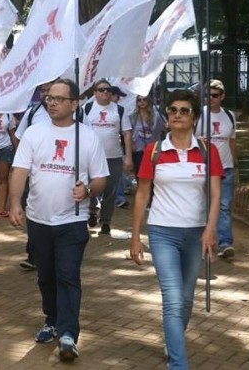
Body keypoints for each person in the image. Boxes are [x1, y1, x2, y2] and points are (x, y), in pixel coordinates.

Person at [9, 78, 109, 362]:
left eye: (58, 98)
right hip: (39, 220)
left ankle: (68, 334)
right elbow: (19, 171)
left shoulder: (87, 136)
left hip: (72, 221)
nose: (51, 103)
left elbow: (102, 178)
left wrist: (88, 190)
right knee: (46, 276)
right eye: (49, 98)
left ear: (74, 103)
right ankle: (51, 319)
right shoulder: (34, 133)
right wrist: (15, 202)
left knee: (68, 275)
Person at [130, 89, 222, 370]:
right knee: (172, 298)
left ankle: (173, 341)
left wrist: (210, 229)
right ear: (167, 116)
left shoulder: (208, 150)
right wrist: (135, 237)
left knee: (186, 298)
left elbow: (216, 194)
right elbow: (142, 195)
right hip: (162, 232)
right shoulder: (154, 151)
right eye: (173, 110)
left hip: (196, 233)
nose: (178, 115)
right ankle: (179, 364)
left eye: (184, 110)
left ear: (194, 117)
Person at [82, 78, 133, 236]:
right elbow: (80, 131)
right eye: (101, 90)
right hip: (91, 157)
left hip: (113, 156)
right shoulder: (87, 108)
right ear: (95, 93)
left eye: (108, 90)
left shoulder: (119, 110)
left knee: (110, 191)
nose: (105, 92)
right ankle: (91, 211)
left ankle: (105, 221)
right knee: (91, 187)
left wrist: (128, 157)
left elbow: (126, 133)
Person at [14, 81, 53, 270]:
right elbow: (19, 136)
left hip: (61, 174)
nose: (46, 94)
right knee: (33, 212)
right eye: (43, 90)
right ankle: (33, 254)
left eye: (50, 89)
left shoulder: (75, 114)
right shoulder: (33, 113)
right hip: (34, 175)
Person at [196, 80, 238, 258]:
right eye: (207, 95)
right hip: (205, 167)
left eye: (214, 95)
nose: (210, 99)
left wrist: (234, 162)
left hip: (225, 168)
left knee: (224, 205)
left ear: (222, 96)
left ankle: (225, 242)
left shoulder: (229, 115)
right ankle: (202, 239)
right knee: (202, 205)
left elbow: (232, 140)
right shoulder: (200, 115)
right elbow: (193, 140)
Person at [130, 94, 167, 173]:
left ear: (148, 101)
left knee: (154, 175)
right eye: (139, 100)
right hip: (138, 150)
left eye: (144, 99)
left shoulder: (156, 116)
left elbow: (166, 128)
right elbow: (129, 133)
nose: (142, 102)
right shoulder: (133, 117)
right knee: (140, 174)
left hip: (153, 150)